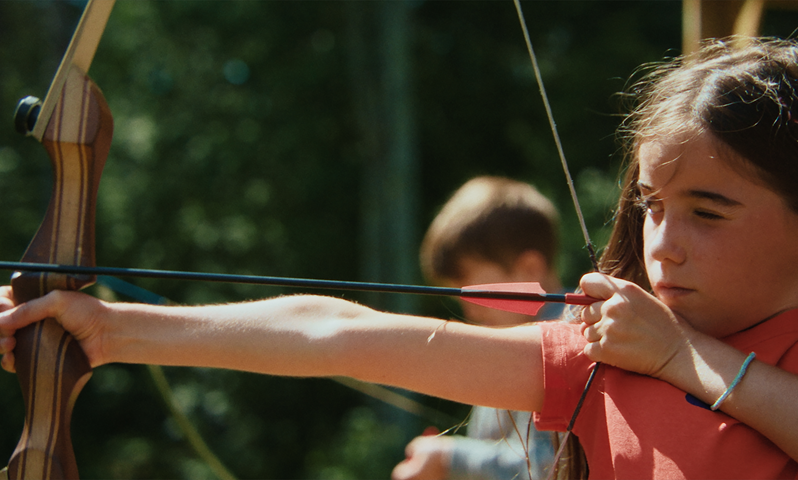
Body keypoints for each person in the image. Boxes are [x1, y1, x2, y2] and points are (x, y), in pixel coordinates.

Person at [3, 37, 798, 479]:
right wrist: (111, 330)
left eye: (708, 212)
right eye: (651, 206)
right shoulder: (611, 355)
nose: (663, 243)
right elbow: (339, 334)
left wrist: (681, 354)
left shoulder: (663, 348)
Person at [393, 176, 562, 480]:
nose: (468, 310)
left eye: (472, 292)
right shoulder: (502, 343)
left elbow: (555, 466)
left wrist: (450, 459)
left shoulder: (576, 340)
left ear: (530, 270)